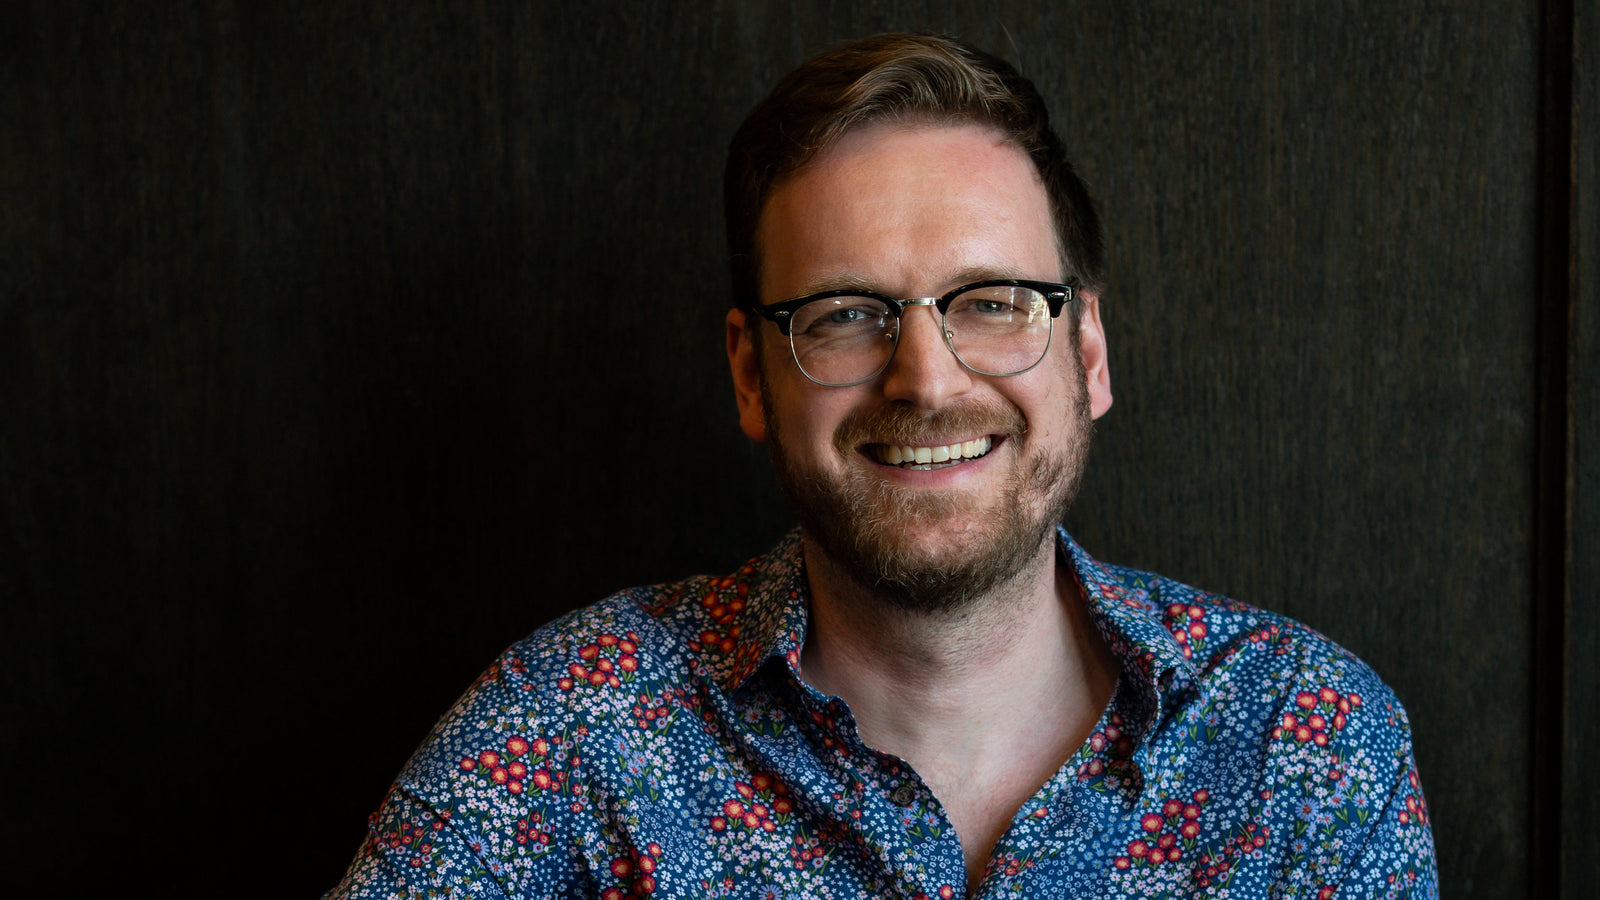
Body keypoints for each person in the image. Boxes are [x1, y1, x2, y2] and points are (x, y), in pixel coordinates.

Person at [326, 33, 1437, 899]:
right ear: (751, 375)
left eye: (992, 302)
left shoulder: (1308, 746)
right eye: (846, 314)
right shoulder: (570, 731)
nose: (927, 381)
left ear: (1088, 352)